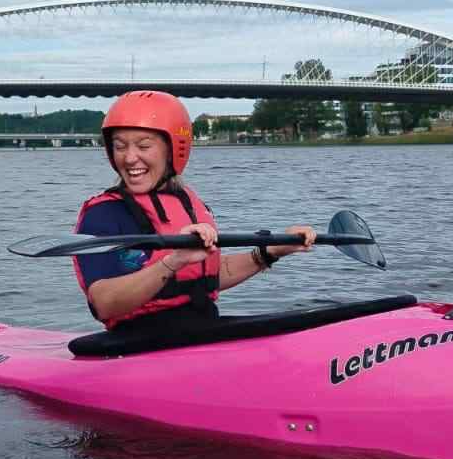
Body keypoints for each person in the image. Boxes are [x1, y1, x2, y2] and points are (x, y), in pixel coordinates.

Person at [75, 90, 317, 331]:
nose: (129, 158)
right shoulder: (104, 214)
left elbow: (205, 277)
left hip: (202, 331)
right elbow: (104, 303)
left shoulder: (187, 203)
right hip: (137, 342)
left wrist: (270, 251)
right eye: (120, 146)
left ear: (173, 149)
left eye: (143, 146)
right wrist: (174, 261)